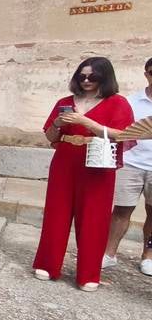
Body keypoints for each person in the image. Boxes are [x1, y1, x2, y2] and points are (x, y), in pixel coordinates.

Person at [34, 57, 133, 291]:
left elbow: (122, 134)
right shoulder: (65, 101)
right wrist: (57, 123)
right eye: (82, 76)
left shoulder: (117, 103)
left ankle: (89, 273)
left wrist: (84, 121)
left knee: (94, 217)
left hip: (98, 163)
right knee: (56, 212)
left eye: (93, 76)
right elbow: (51, 137)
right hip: (66, 160)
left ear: (105, 77)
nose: (87, 80)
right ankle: (48, 264)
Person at [104, 58, 152, 276]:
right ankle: (109, 254)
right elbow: (120, 131)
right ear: (146, 74)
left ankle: (148, 256)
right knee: (121, 210)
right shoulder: (132, 102)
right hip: (131, 162)